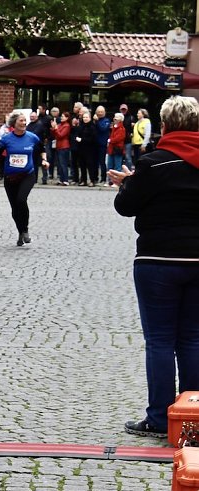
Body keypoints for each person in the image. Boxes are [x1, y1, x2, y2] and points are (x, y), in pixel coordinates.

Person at [111, 95, 199, 438]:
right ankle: (192, 417)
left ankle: (161, 418)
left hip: (158, 259)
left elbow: (126, 206)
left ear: (166, 126)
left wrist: (128, 183)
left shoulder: (153, 163)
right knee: (193, 339)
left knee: (160, 340)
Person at [0, 111, 48, 246]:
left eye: (25, 121)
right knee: (15, 207)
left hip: (27, 175)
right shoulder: (6, 139)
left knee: (21, 200)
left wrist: (44, 160)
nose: (23, 123)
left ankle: (26, 230)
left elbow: (42, 148)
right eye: (21, 121)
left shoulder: (32, 137)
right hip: (10, 177)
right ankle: (20, 232)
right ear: (14, 124)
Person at [75, 111, 98, 187]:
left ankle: (92, 180)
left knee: (90, 165)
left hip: (90, 149)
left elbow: (93, 139)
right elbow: (77, 134)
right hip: (81, 148)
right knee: (82, 165)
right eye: (84, 117)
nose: (85, 119)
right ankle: (83, 180)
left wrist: (82, 140)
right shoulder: (81, 126)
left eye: (87, 117)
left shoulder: (92, 126)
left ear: (90, 118)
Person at [51, 111, 72, 186]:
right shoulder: (60, 125)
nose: (61, 117)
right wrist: (53, 128)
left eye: (63, 116)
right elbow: (55, 134)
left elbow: (61, 135)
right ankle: (61, 179)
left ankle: (65, 179)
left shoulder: (67, 126)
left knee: (63, 164)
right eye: (61, 116)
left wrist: (56, 129)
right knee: (59, 164)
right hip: (58, 146)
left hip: (64, 146)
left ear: (67, 118)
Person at [106, 112, 126, 187]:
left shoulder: (121, 128)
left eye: (117, 117)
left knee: (117, 165)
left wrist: (110, 140)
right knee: (110, 165)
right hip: (111, 149)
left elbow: (119, 138)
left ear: (121, 119)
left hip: (117, 149)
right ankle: (110, 181)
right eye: (115, 117)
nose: (115, 118)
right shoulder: (114, 127)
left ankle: (116, 182)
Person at [93, 106, 111, 183]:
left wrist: (97, 122)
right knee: (94, 162)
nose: (100, 113)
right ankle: (95, 177)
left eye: (101, 112)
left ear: (104, 113)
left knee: (102, 162)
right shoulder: (94, 121)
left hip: (102, 144)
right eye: (98, 112)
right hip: (94, 144)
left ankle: (103, 178)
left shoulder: (107, 120)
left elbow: (102, 129)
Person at [120, 103, 134, 169]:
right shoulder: (117, 117)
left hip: (127, 140)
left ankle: (129, 171)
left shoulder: (131, 118)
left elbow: (133, 129)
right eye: (122, 109)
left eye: (124, 109)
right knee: (119, 156)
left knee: (128, 156)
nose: (123, 110)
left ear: (127, 110)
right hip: (119, 140)